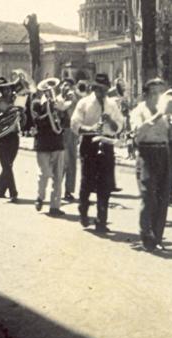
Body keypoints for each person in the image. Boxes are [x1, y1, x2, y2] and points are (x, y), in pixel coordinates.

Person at [70, 73, 124, 232]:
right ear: (94, 88)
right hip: (89, 143)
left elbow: (119, 127)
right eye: (100, 89)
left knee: (105, 184)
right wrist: (91, 128)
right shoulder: (84, 103)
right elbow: (75, 125)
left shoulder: (112, 104)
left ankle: (102, 220)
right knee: (87, 181)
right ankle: (83, 210)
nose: (103, 93)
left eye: (105, 89)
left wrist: (110, 121)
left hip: (106, 143)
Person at [130, 78, 172, 251]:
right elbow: (138, 134)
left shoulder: (166, 113)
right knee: (148, 195)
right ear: (145, 95)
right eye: (154, 93)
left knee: (163, 196)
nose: (159, 97)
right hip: (146, 152)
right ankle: (146, 235)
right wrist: (158, 116)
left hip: (163, 152)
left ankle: (157, 237)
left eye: (161, 93)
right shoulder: (138, 111)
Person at [32, 81, 66, 216]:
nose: (50, 92)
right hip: (43, 144)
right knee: (44, 174)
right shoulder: (36, 104)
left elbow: (65, 122)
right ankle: (40, 197)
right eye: (47, 90)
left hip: (58, 143)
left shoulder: (58, 104)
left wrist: (61, 112)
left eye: (52, 90)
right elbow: (37, 121)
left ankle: (55, 207)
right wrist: (48, 111)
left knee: (58, 178)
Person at [0, 77, 21, 201]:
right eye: (4, 89)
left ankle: (0, 189)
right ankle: (13, 192)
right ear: (0, 90)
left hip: (14, 135)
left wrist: (22, 114)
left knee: (8, 165)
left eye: (9, 88)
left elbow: (23, 120)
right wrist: (4, 114)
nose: (7, 91)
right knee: (7, 165)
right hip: (1, 136)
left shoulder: (16, 101)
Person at [58, 78, 80, 203]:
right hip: (60, 132)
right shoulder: (57, 98)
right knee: (61, 162)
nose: (66, 87)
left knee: (71, 162)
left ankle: (68, 190)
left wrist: (73, 98)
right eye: (64, 85)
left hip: (71, 131)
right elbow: (59, 108)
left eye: (69, 86)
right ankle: (57, 188)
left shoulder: (74, 98)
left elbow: (74, 114)